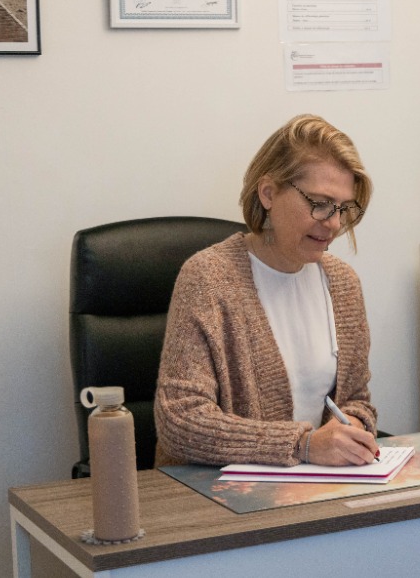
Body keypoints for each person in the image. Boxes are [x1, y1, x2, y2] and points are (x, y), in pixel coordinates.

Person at [154, 114, 379, 469]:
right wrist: (301, 445)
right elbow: (179, 422)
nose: (334, 223)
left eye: (343, 209)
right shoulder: (207, 278)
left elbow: (357, 401)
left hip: (316, 489)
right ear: (269, 193)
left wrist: (349, 429)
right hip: (216, 499)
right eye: (319, 203)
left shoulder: (343, 284)